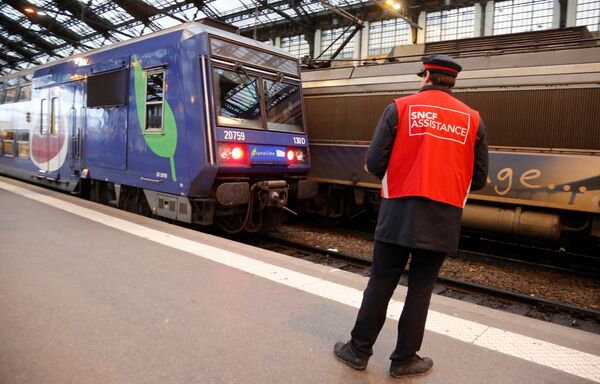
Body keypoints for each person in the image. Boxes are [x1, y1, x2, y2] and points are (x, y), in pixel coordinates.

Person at [334, 54, 489, 378]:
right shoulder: (473, 119)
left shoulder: (400, 108)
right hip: (443, 216)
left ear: (426, 76)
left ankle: (358, 351)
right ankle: (404, 360)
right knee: (421, 289)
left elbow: (375, 162)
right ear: (454, 81)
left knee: (381, 282)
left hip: (399, 209)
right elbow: (478, 179)